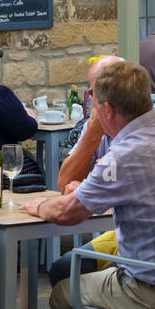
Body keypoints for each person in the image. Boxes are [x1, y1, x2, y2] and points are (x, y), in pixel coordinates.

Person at [26, 60, 155, 309]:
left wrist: (37, 206)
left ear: (107, 110)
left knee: (64, 295)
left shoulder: (125, 155)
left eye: (95, 104)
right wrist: (88, 189)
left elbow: (66, 213)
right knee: (106, 280)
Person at [48, 54, 124, 286]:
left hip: (139, 240)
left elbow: (119, 192)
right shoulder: (96, 124)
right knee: (62, 269)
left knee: (78, 285)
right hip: (119, 232)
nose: (91, 100)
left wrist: (87, 188)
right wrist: (92, 133)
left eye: (94, 93)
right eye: (90, 93)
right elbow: (64, 183)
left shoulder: (141, 134)